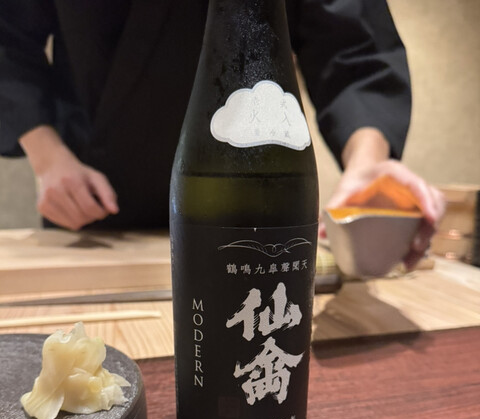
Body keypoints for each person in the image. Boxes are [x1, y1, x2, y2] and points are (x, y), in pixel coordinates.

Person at [0, 0, 444, 269]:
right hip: (93, 208)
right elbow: (8, 39)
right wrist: (48, 157)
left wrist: (367, 162)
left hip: (259, 214)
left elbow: (354, 44)